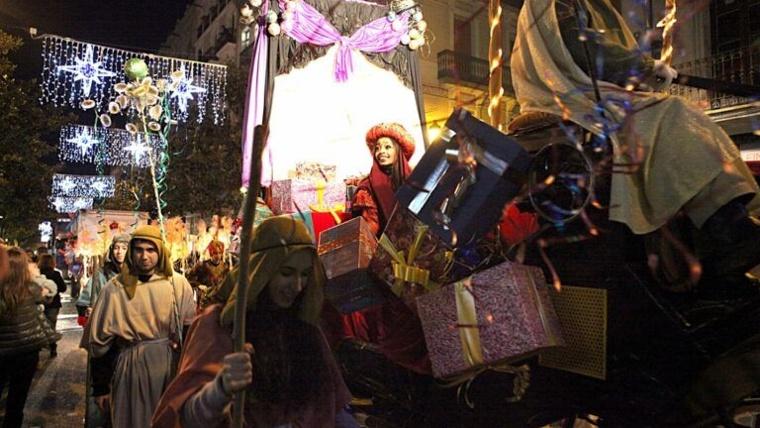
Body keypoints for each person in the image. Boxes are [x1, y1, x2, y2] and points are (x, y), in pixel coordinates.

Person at [510, 0, 760, 285]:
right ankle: (725, 229)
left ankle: (714, 231)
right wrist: (644, 66)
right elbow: (581, 47)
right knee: (670, 114)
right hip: (568, 97)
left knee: (672, 115)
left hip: (590, 94)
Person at [152, 217, 356, 428]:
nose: (297, 286)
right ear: (262, 270)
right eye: (286, 273)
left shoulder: (306, 327)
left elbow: (331, 406)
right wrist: (219, 390)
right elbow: (184, 418)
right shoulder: (221, 325)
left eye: (304, 275)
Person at [83, 225, 196, 428]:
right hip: (131, 367)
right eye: (139, 249)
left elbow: (188, 332)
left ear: (160, 252)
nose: (144, 256)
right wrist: (100, 387)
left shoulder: (177, 285)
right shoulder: (115, 288)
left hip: (168, 366)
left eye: (151, 250)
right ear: (132, 252)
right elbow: (101, 344)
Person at [0, 247, 51, 428]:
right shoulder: (31, 288)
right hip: (26, 351)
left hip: (3, 352)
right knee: (16, 402)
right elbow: (49, 294)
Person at [352, 123, 416, 236]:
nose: (381, 151)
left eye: (387, 147)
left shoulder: (414, 180)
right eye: (377, 148)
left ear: (398, 152)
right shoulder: (367, 187)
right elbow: (370, 228)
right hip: (387, 248)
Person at [77, 233, 129, 319]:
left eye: (124, 248)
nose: (120, 252)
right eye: (116, 248)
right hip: (106, 321)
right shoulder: (102, 274)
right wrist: (88, 310)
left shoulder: (137, 273)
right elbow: (84, 301)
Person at [186, 240, 230, 309]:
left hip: (219, 301)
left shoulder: (225, 266)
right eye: (215, 253)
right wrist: (199, 285)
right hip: (205, 300)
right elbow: (189, 278)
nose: (218, 256)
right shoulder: (202, 265)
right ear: (211, 253)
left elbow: (227, 283)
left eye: (219, 253)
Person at [38, 253, 67, 357]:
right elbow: (63, 288)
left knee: (40, 325)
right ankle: (52, 346)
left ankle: (42, 345)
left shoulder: (38, 274)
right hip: (53, 304)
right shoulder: (55, 274)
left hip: (40, 303)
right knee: (51, 325)